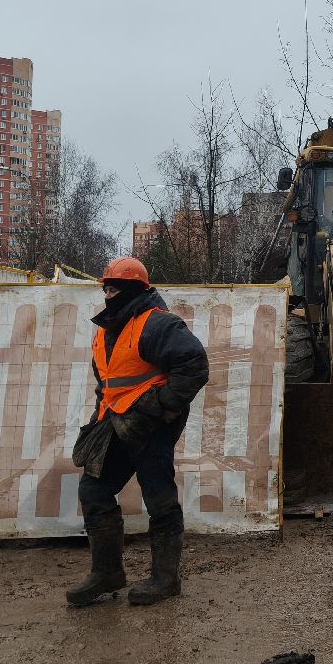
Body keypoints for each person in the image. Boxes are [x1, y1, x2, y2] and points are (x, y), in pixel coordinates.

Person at [66, 257, 209, 607]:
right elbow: (108, 386)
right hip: (114, 423)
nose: (107, 291)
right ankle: (108, 572)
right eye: (106, 286)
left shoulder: (157, 325)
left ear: (135, 289)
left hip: (151, 427)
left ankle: (165, 578)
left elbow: (194, 364)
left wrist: (165, 406)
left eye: (115, 286)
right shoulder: (104, 334)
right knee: (93, 490)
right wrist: (98, 422)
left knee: (159, 499)